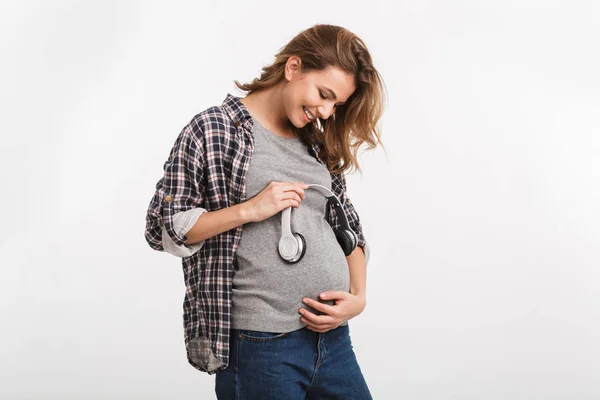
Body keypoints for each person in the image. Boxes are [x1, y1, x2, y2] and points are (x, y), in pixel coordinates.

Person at [144, 23, 386, 399]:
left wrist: (359, 296)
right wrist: (250, 209)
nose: (324, 111)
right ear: (293, 68)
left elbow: (346, 226)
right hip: (262, 346)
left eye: (334, 104)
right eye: (323, 94)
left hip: (333, 342)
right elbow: (163, 227)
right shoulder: (215, 130)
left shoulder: (316, 145)